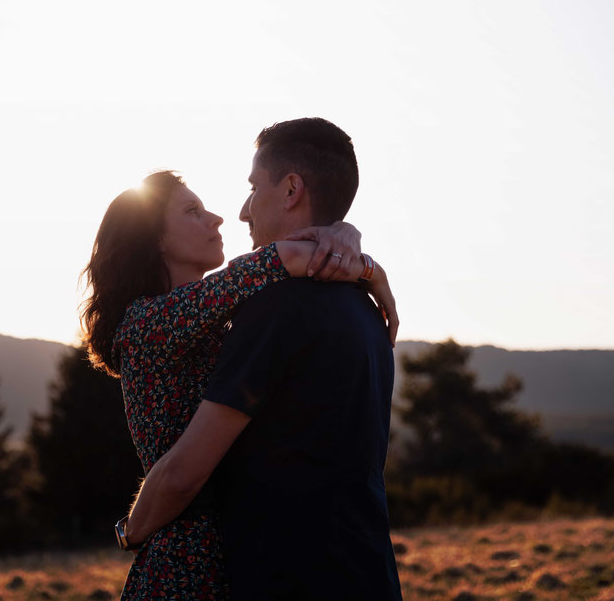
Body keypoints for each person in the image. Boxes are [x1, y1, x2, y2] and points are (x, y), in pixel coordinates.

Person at [122, 118, 404, 600]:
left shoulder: (275, 309)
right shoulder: (368, 309)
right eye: (193, 211)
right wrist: (359, 260)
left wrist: (129, 531)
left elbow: (185, 472)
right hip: (368, 572)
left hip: (290, 577)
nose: (238, 212)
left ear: (291, 188)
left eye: (254, 188)